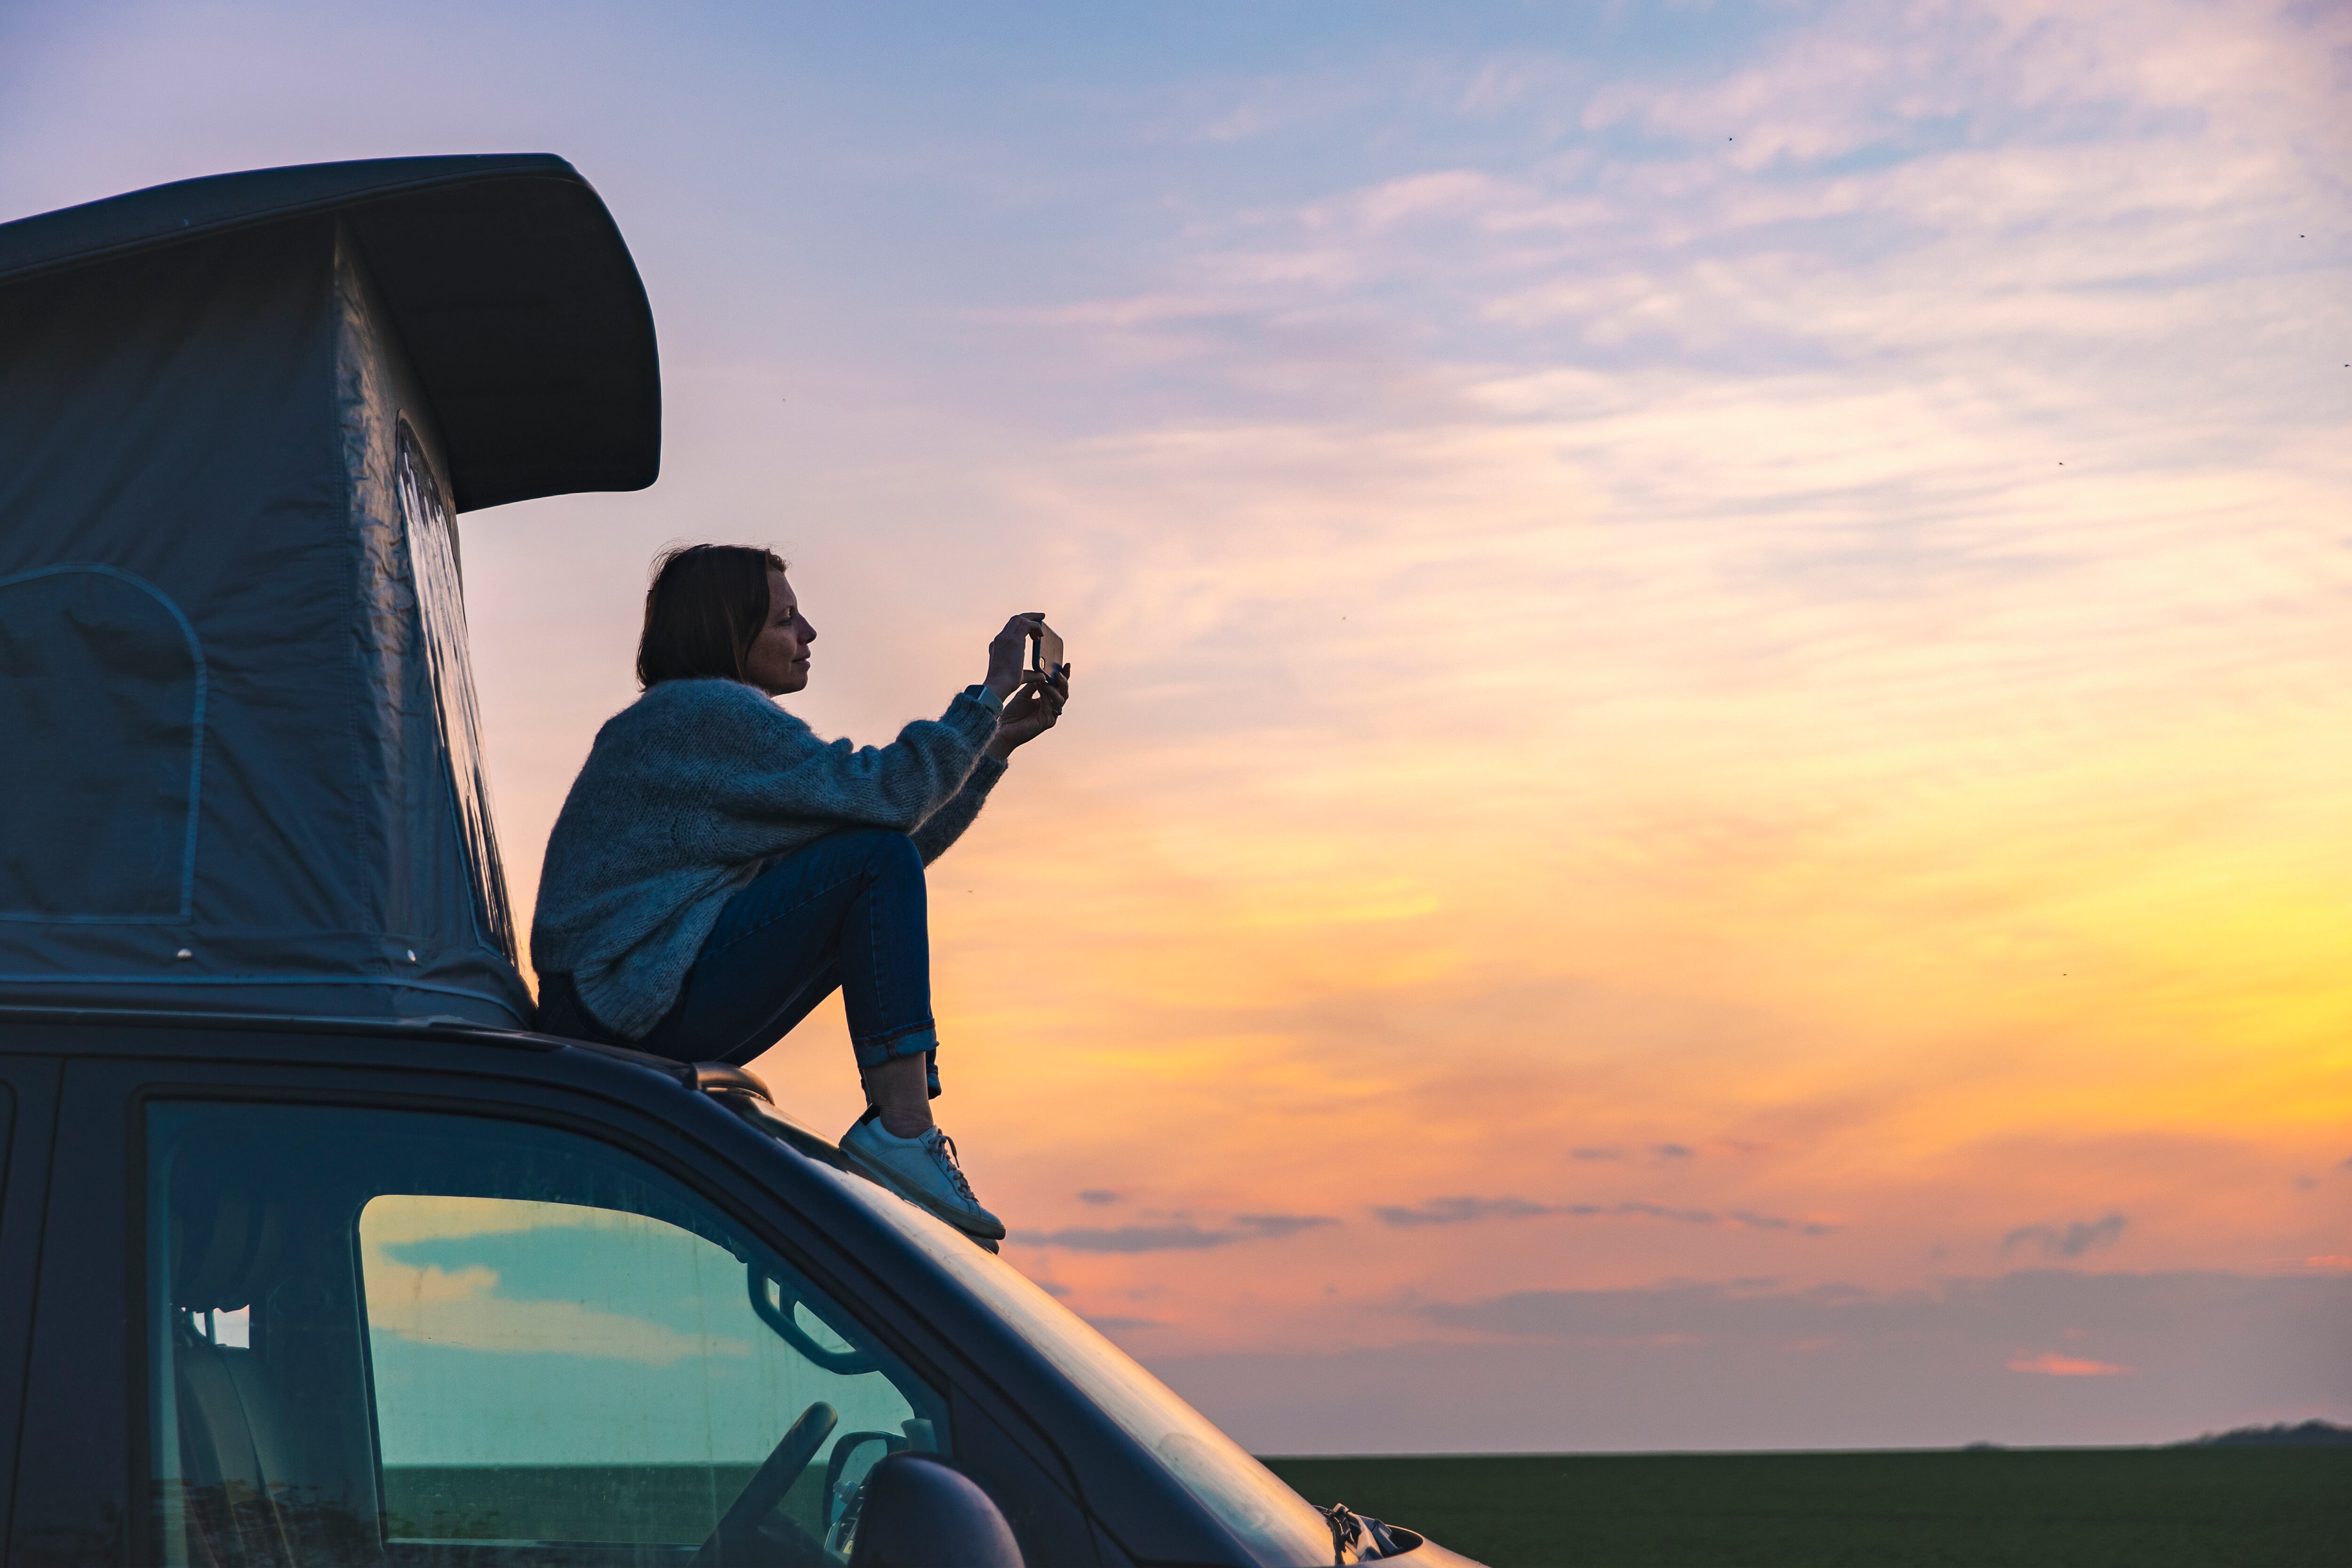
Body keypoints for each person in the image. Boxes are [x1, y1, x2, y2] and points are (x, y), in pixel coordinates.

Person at [531, 544, 1070, 1240]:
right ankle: (903, 1130)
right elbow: (888, 806)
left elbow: (887, 852)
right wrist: (986, 697)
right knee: (872, 856)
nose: (809, 633)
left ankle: (900, 1136)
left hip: (626, 1000)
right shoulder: (703, 712)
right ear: (730, 630)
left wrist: (989, 751)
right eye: (786, 619)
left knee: (874, 859)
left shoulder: (700, 727)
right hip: (622, 1002)